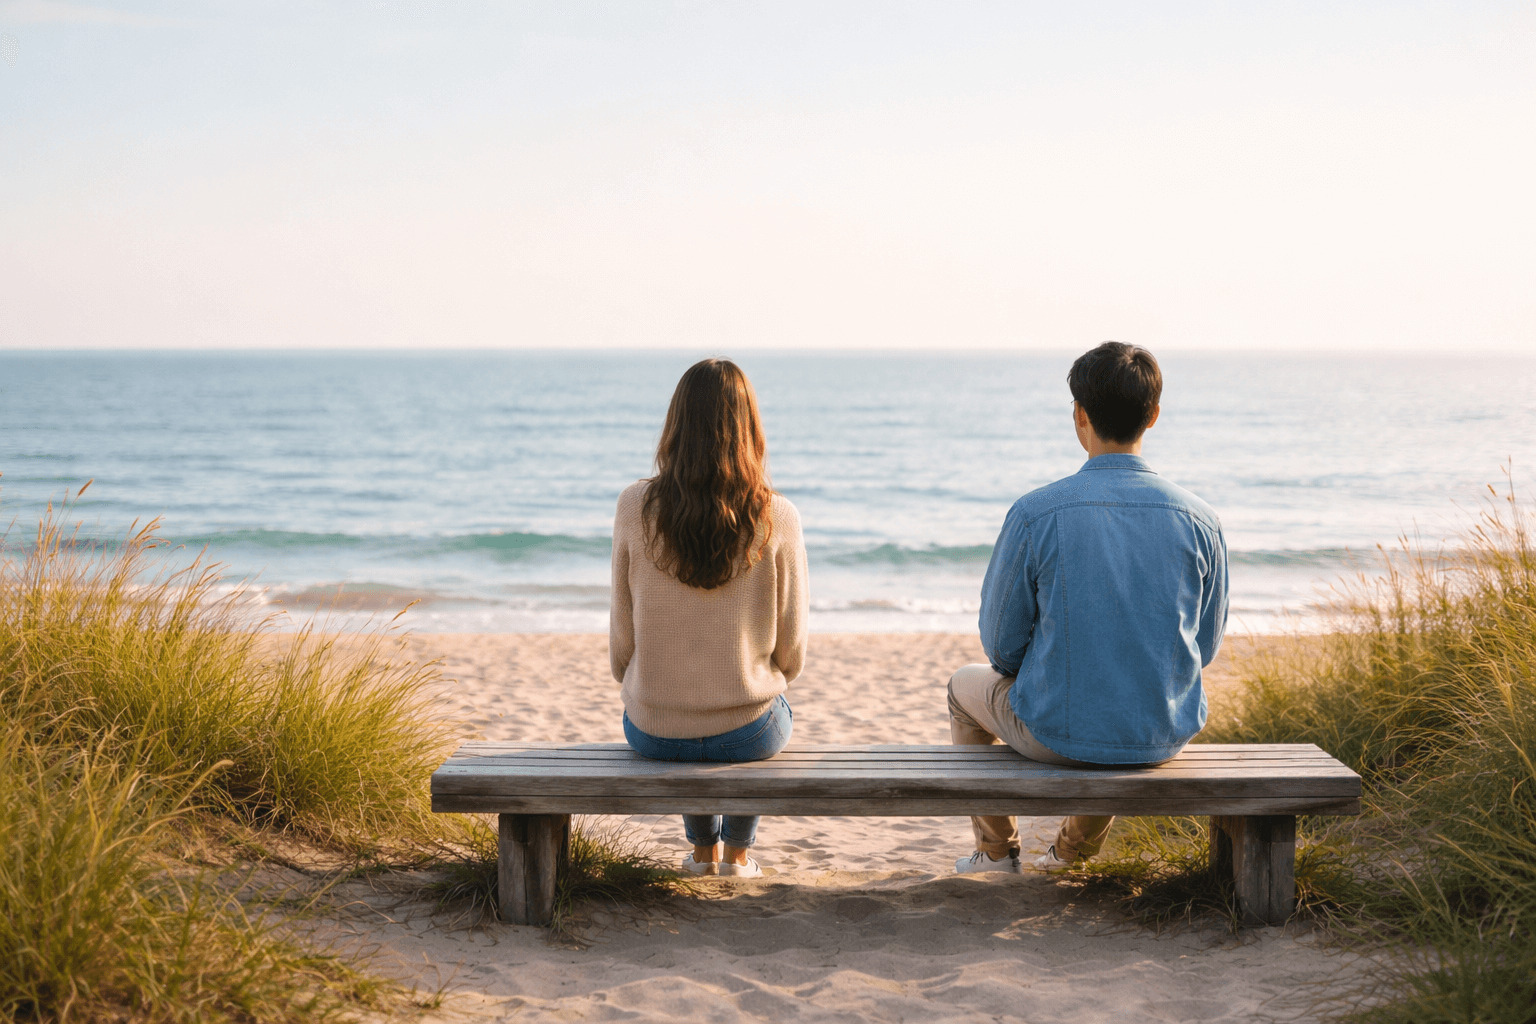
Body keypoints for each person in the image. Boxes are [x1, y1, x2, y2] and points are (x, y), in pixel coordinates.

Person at [950, 342, 1229, 874]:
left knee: (963, 687)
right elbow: (1204, 646)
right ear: (1153, 416)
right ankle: (1071, 854)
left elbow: (1001, 649)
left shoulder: (1036, 513)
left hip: (1056, 737)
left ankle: (995, 851)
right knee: (1125, 695)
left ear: (1080, 415)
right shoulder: (1202, 520)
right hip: (1161, 734)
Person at [610, 358, 808, 878]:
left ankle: (702, 852)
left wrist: (644, 683)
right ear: (749, 429)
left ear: (676, 425)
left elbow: (622, 637)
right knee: (773, 707)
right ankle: (738, 856)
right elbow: (793, 651)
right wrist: (763, 674)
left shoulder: (634, 506)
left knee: (681, 697)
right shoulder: (778, 516)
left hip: (653, 728)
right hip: (747, 731)